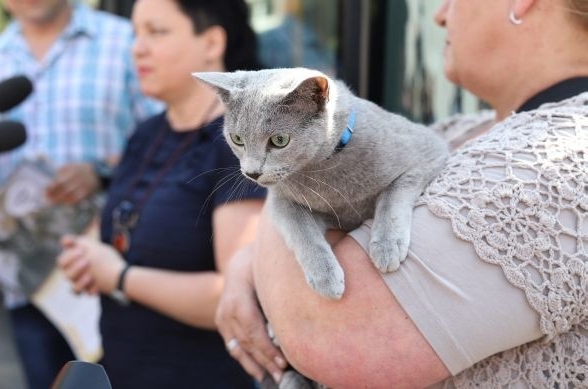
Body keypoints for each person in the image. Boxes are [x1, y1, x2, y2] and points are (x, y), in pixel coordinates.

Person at [215, 0, 588, 387]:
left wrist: (261, 252)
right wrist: (244, 264)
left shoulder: (557, 159)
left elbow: (336, 337)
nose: (440, 14)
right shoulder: (460, 130)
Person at [58, 0, 265, 388]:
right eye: (136, 33)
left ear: (212, 42)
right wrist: (88, 256)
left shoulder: (241, 146)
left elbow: (236, 296)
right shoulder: (146, 134)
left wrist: (119, 277)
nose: (137, 47)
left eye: (157, 32)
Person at [0, 1, 161, 388]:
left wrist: (102, 173)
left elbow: (171, 142)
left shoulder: (127, 43)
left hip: (121, 276)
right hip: (30, 288)